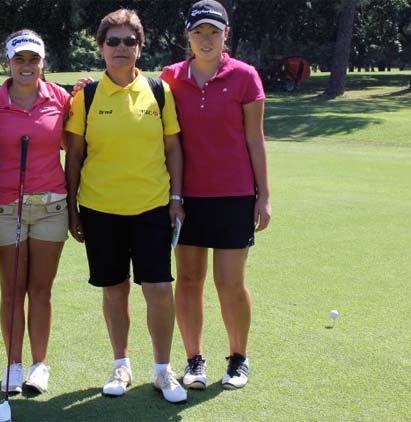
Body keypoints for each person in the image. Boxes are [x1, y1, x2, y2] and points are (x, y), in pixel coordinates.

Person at [65, 9, 187, 404]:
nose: (121, 48)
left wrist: (176, 199)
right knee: (114, 290)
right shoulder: (86, 95)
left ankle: (163, 371)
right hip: (100, 210)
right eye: (113, 41)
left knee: (158, 288)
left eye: (129, 41)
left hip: (152, 207)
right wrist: (72, 209)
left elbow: (173, 147)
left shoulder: (159, 91)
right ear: (101, 47)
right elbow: (76, 156)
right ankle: (121, 364)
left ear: (140, 46)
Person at [160, 0, 271, 390]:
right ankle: (194, 361)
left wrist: (264, 196)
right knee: (188, 280)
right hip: (185, 197)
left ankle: (238, 358)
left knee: (229, 282)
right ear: (187, 36)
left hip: (235, 194)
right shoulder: (170, 77)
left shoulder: (245, 77)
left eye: (213, 32)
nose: (206, 40)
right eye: (198, 32)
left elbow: (255, 140)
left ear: (226, 34)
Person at [0, 29, 70, 394]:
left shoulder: (61, 99)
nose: (27, 66)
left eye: (33, 59)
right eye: (20, 59)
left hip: (52, 207)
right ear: (8, 63)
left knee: (41, 290)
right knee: (12, 290)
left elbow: (73, 145)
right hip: (5, 208)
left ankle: (38, 366)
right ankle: (13, 365)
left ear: (43, 62)